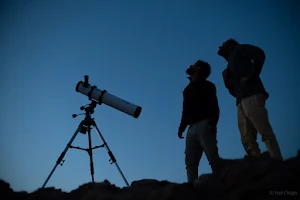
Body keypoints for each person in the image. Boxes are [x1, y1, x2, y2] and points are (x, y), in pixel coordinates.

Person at [217, 38, 283, 161]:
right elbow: (235, 92)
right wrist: (227, 83)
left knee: (264, 131)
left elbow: (259, 54)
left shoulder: (238, 49)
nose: (219, 47)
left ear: (230, 46)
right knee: (247, 138)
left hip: (252, 95)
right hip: (241, 101)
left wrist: (252, 75)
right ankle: (257, 166)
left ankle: (277, 162)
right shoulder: (230, 66)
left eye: (223, 44)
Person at [177, 60, 221, 184]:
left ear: (199, 69)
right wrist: (182, 127)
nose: (191, 65)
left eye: (195, 64)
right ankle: (192, 190)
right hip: (191, 129)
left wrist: (212, 123)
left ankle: (222, 183)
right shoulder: (187, 89)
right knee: (190, 162)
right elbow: (185, 110)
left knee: (212, 157)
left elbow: (214, 106)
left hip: (204, 124)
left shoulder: (208, 86)